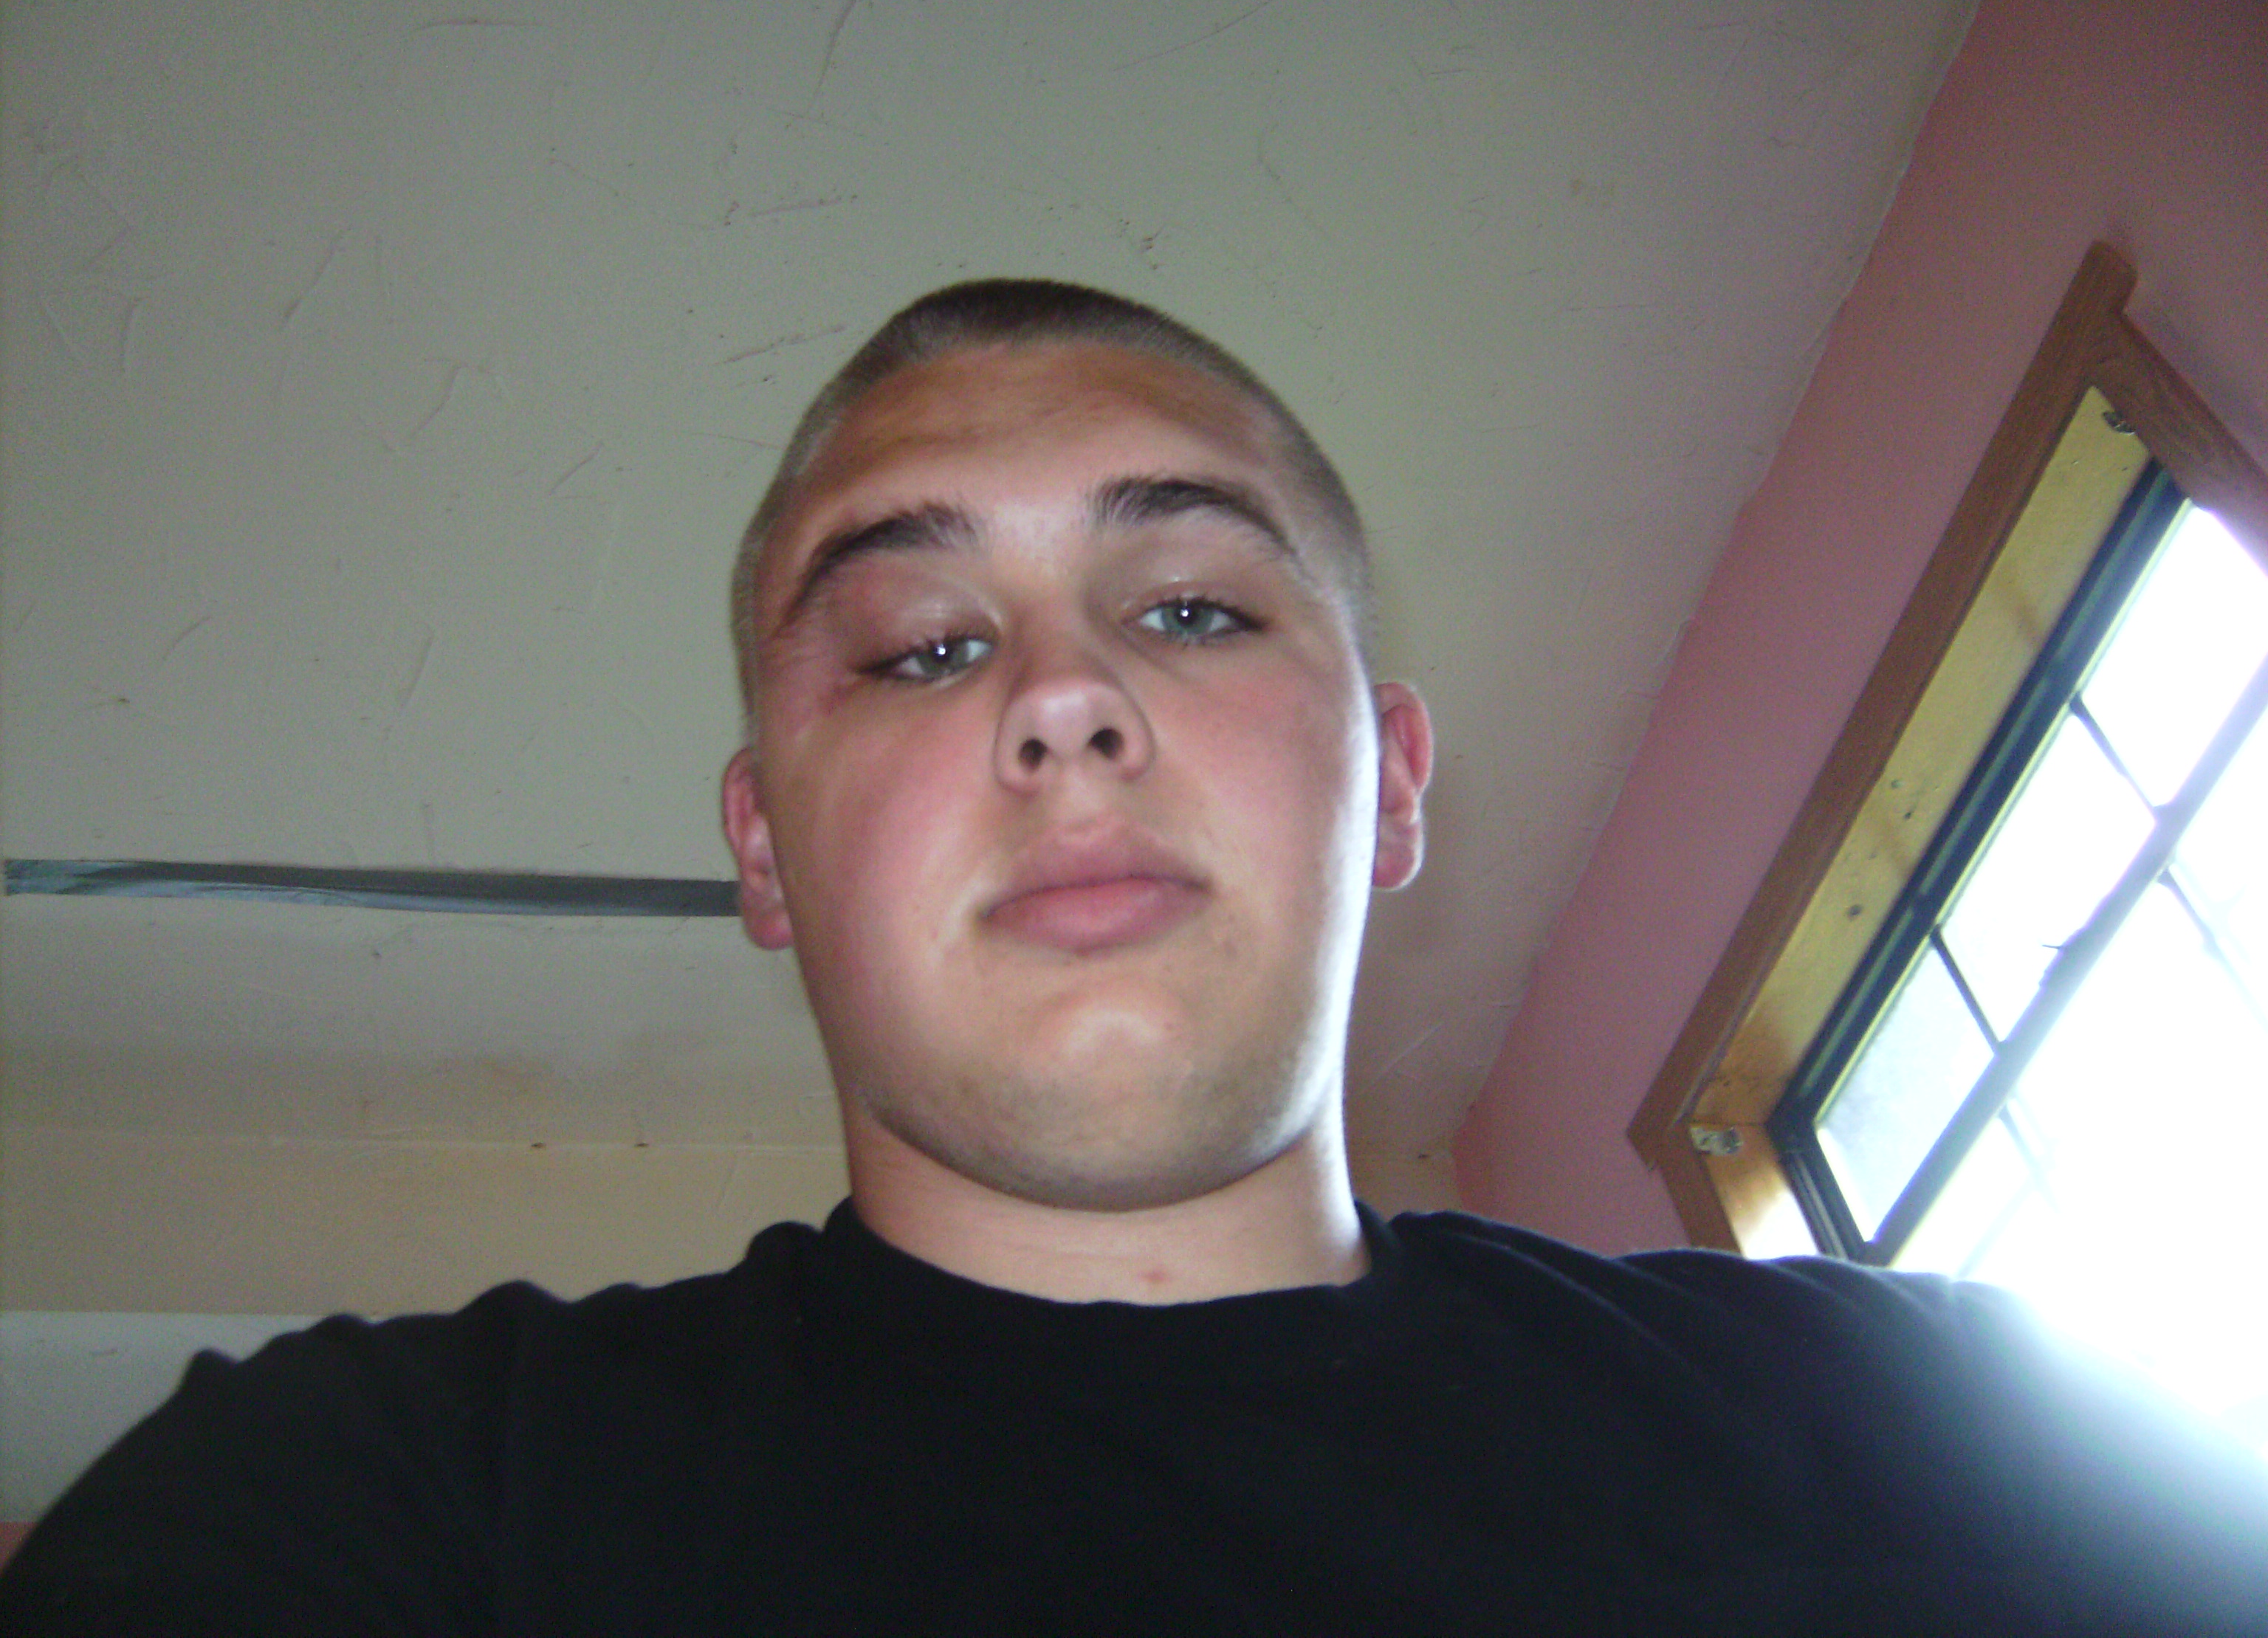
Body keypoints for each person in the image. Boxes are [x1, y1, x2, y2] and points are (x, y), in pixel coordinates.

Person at [4, 281, 2267, 1636]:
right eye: (922, 644)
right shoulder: (369, 1501)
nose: (1064, 702)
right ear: (766, 850)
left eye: (1189, 608)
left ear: (1390, 785)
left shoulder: (1958, 1429)